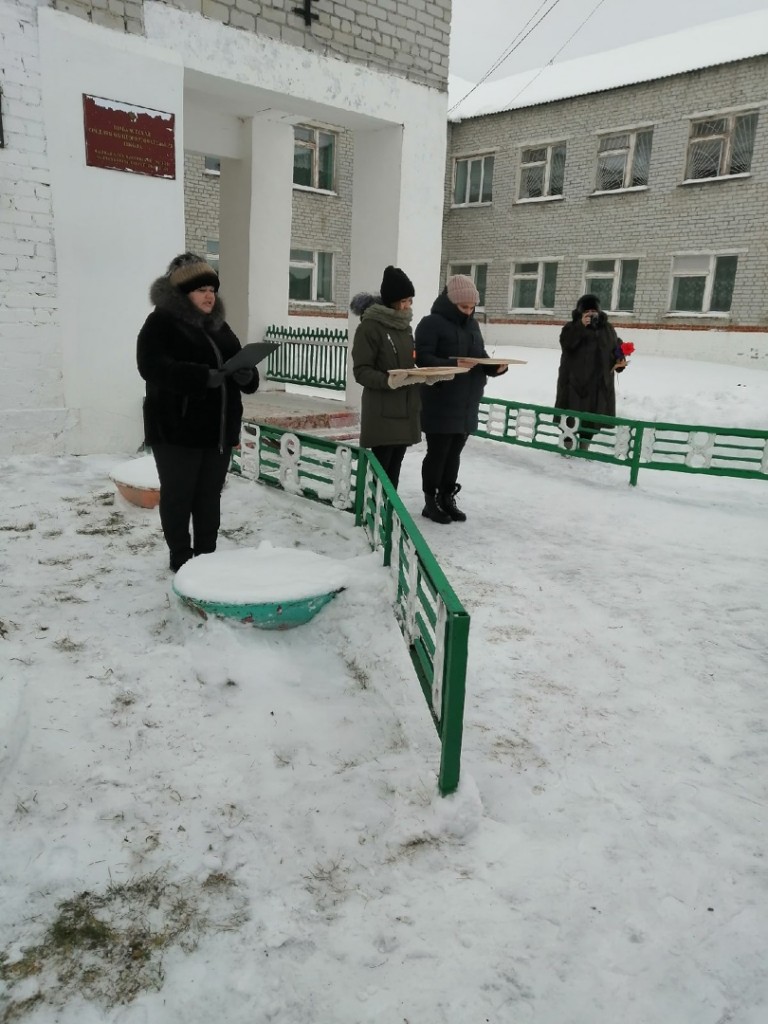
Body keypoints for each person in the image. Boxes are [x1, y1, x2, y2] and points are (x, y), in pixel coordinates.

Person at [137, 252, 259, 572]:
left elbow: (240, 363)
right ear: (183, 293)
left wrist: (246, 375)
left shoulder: (219, 326)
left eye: (212, 289)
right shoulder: (161, 323)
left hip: (217, 432)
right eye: (201, 290)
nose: (209, 296)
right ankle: (180, 558)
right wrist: (201, 376)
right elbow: (151, 366)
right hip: (176, 431)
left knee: (209, 497)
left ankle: (206, 557)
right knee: (179, 497)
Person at [415, 274, 507, 524]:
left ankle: (446, 497)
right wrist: (453, 364)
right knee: (438, 453)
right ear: (451, 302)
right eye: (463, 307)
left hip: (467, 401)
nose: (468, 311)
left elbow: (479, 357)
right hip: (440, 400)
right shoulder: (431, 323)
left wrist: (495, 367)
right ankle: (430, 501)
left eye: (472, 307)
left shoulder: (473, 326)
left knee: (454, 453)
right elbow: (423, 359)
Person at [351, 265, 437, 490]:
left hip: (405, 408)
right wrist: (387, 381)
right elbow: (361, 370)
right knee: (381, 471)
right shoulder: (370, 328)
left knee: (395, 470)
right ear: (391, 301)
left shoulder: (404, 328)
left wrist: (424, 376)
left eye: (410, 301)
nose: (408, 306)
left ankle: (389, 510)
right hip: (382, 411)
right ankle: (373, 509)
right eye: (403, 301)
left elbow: (408, 365)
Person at [555, 293, 627, 451]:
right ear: (580, 313)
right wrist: (580, 326)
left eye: (593, 311)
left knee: (591, 421)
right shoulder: (571, 327)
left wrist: (620, 360)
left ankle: (584, 449)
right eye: (586, 311)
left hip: (597, 384)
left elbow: (616, 348)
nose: (590, 314)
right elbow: (567, 344)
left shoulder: (607, 329)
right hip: (573, 383)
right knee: (570, 418)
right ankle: (567, 448)